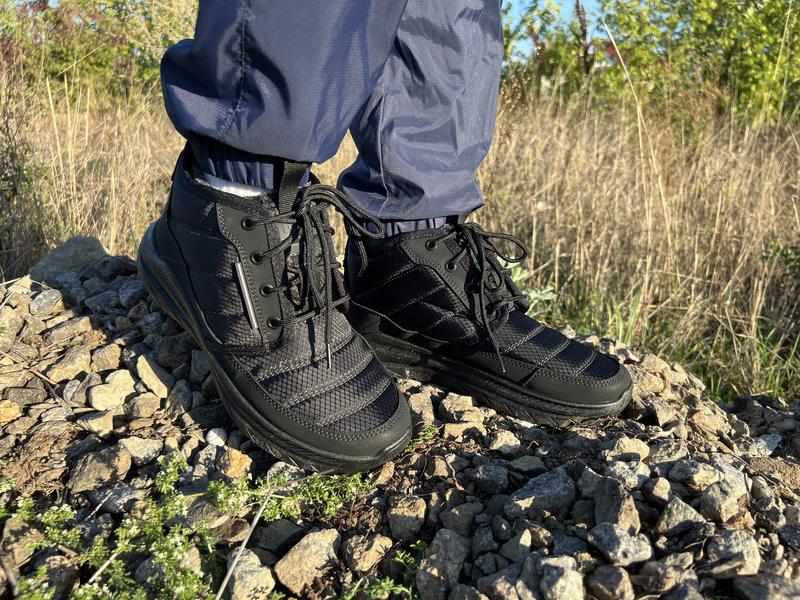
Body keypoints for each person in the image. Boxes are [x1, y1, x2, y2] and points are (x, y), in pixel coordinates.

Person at [137, 0, 632, 473]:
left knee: (447, 17)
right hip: (234, 199)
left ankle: (410, 253)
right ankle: (232, 199)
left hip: (413, 228)